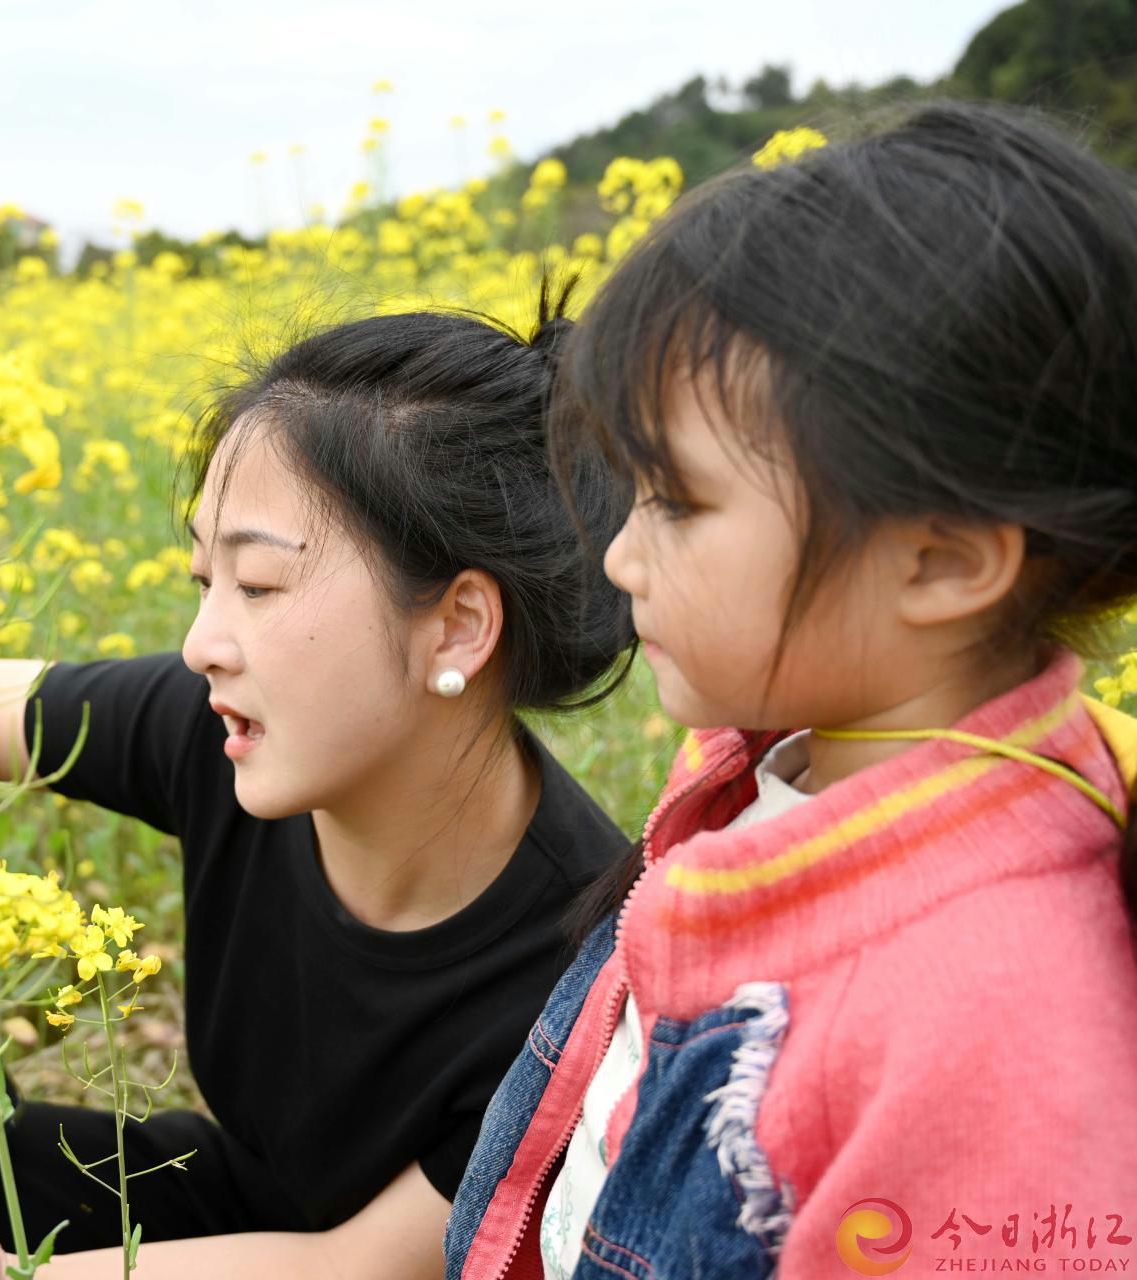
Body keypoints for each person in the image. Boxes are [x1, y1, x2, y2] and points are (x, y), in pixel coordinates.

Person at [0, 298, 636, 1278]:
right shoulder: (231, 731)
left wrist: (22, 1276)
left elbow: (356, 1265)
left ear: (458, 626)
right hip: (237, 1202)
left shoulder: (585, 970)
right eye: (205, 581)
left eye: (260, 585)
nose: (202, 645)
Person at [444, 102, 1137, 1280]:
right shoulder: (779, 770)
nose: (619, 557)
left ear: (944, 558)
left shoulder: (995, 1023)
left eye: (680, 502)